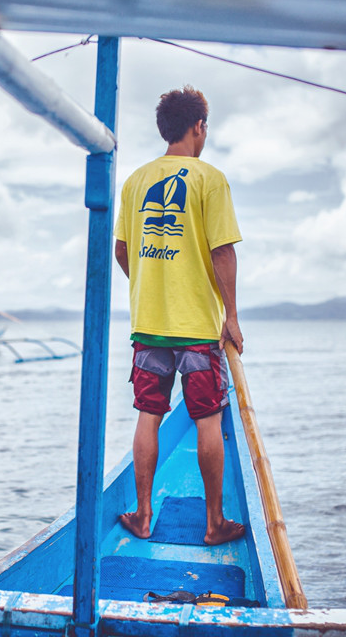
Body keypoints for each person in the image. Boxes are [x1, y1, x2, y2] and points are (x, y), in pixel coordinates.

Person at [113, 86, 246, 546]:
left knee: (149, 415)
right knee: (208, 419)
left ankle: (143, 516)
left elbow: (122, 251)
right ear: (199, 127)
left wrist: (150, 285)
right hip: (195, 329)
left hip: (148, 326)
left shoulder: (134, 182)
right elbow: (222, 251)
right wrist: (231, 314)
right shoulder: (209, 178)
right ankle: (214, 523)